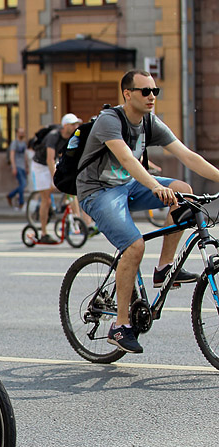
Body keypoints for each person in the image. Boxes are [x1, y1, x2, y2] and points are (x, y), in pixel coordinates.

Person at [77, 69, 219, 354]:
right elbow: (128, 159)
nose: (152, 96)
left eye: (155, 91)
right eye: (145, 91)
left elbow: (188, 156)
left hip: (128, 187)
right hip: (98, 192)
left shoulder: (150, 123)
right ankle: (119, 326)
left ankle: (164, 267)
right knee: (134, 246)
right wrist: (155, 185)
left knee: (184, 190)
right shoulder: (109, 121)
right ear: (127, 94)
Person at [30, 113, 82, 243]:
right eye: (73, 124)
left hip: (54, 163)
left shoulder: (71, 137)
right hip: (40, 165)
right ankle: (43, 232)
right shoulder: (53, 136)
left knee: (71, 191)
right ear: (65, 126)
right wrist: (56, 179)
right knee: (46, 199)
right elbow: (49, 159)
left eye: (77, 124)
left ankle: (76, 220)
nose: (76, 126)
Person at [7, 127, 28, 209]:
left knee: (23, 185)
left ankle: (10, 195)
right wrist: (14, 167)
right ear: (17, 133)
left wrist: (26, 167)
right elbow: (12, 155)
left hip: (23, 166)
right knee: (23, 184)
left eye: (23, 132)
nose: (22, 134)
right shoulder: (14, 143)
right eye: (20, 132)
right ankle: (21, 202)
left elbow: (25, 155)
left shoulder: (24, 143)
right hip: (17, 166)